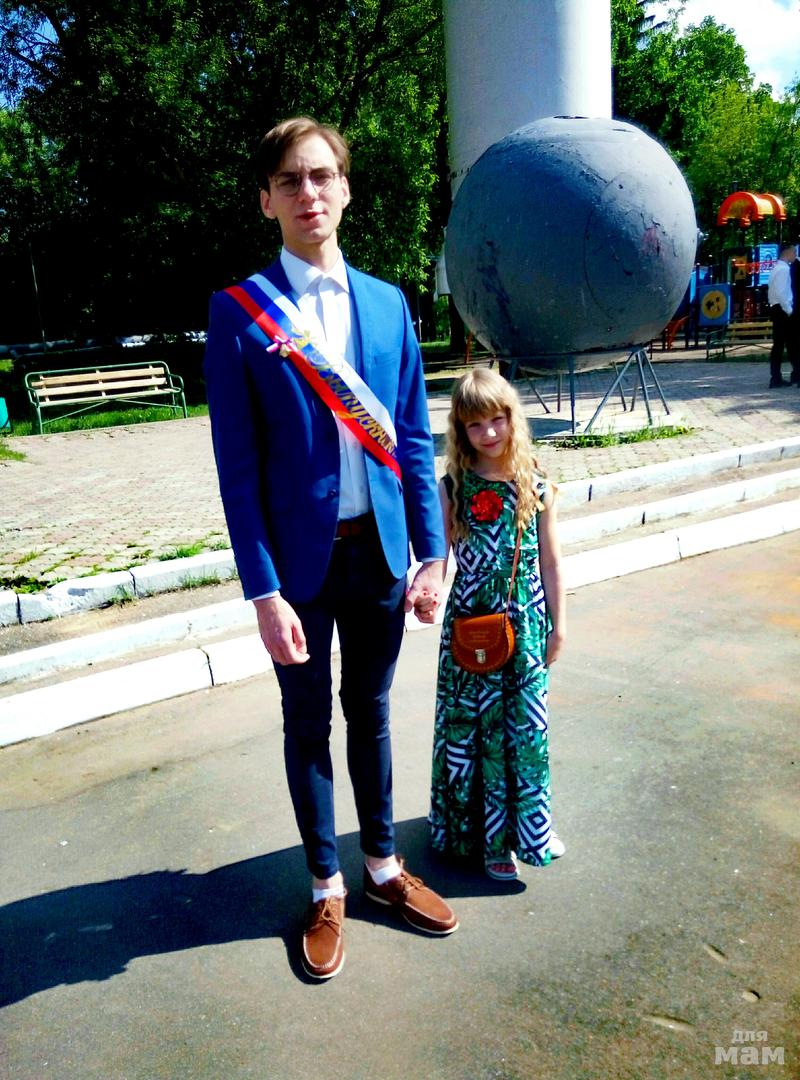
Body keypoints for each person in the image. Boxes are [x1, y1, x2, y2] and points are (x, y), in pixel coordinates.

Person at [203, 116, 458, 981]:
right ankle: (324, 885)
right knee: (307, 721)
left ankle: (382, 867)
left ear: (345, 188)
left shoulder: (388, 304)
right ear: (267, 201)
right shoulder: (240, 314)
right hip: (298, 569)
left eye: (321, 176)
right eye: (290, 180)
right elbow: (237, 469)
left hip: (380, 554)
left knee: (372, 712)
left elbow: (413, 437)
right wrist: (262, 592)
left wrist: (432, 553)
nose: (307, 193)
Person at [427, 368, 566, 881]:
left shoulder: (537, 485)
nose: (488, 433)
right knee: (476, 732)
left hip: (526, 625)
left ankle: (530, 829)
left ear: (512, 418)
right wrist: (425, 592)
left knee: (525, 729)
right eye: (474, 424)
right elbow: (438, 558)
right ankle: (488, 842)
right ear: (460, 430)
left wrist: (559, 626)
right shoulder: (452, 487)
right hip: (471, 627)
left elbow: (551, 562)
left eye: (496, 420)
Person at [767, 240, 796, 388]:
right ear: (788, 252)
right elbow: (781, 292)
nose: (795, 255)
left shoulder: (776, 268)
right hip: (782, 310)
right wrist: (789, 310)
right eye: (794, 252)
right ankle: (790, 375)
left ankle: (776, 377)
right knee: (790, 343)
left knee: (779, 345)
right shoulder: (784, 269)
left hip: (776, 308)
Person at [789, 243, 800, 386]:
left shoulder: (792, 267)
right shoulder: (794, 267)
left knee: (795, 345)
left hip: (794, 310)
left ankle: (796, 373)